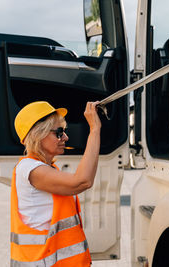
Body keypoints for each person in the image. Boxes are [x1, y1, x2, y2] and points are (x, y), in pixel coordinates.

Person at [10, 101, 101, 266]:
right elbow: (82, 181)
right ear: (38, 134)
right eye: (59, 132)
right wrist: (94, 130)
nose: (65, 137)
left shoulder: (46, 169)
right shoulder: (30, 169)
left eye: (64, 131)